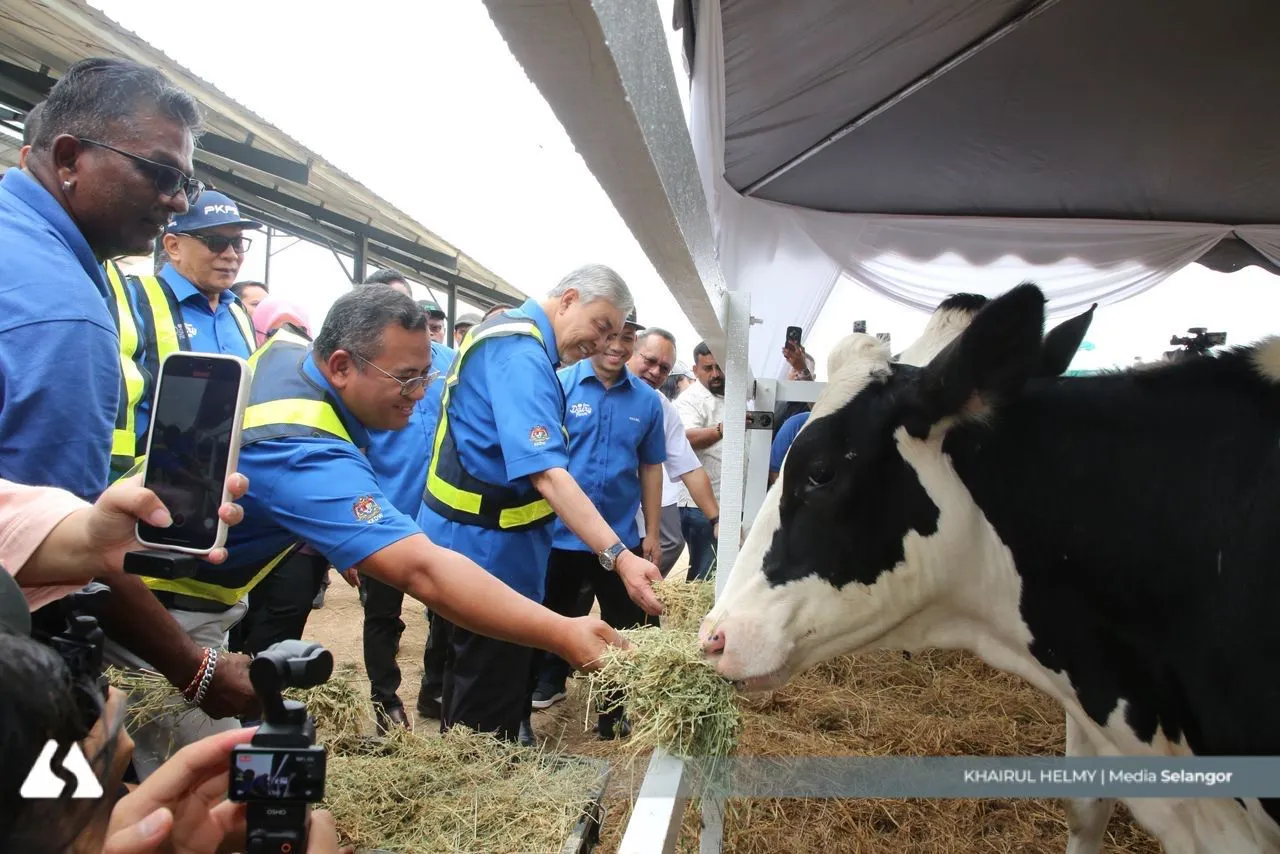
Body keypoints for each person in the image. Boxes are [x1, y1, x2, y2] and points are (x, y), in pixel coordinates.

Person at [123, 285, 626, 769]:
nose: (420, 393)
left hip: (163, 591)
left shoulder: (291, 356)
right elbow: (421, 571)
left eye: (427, 375)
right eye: (406, 378)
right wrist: (563, 632)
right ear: (341, 365)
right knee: (205, 791)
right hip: (155, 616)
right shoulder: (305, 448)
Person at [0, 56, 258, 730]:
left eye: (187, 180)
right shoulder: (65, 317)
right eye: (163, 174)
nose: (177, 199)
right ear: (68, 159)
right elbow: (43, 561)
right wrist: (193, 667)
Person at [419, 263, 663, 744]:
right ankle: (482, 797)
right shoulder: (520, 354)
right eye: (600, 326)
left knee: (475, 678)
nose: (602, 344)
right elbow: (548, 473)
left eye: (616, 334)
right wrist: (619, 557)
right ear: (569, 298)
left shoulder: (517, 342)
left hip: (489, 546)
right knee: (487, 700)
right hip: (490, 553)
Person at [529, 310, 666, 740]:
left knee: (624, 626)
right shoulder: (563, 385)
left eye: (628, 338)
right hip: (560, 538)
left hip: (620, 542)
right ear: (597, 336)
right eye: (612, 335)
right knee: (554, 616)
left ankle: (614, 710)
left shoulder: (647, 401)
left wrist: (652, 532)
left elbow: (650, 467)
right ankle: (548, 682)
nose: (618, 346)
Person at [124, 188, 259, 453]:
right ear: (173, 246)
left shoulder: (238, 313)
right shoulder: (133, 299)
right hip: (146, 477)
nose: (231, 254)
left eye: (238, 243)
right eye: (216, 242)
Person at [626, 328, 721, 577]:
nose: (656, 372)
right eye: (650, 361)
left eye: (665, 368)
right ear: (632, 349)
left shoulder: (661, 407)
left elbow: (688, 466)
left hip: (627, 524)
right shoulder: (582, 385)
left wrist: (716, 519)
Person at [674, 341, 726, 581]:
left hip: (729, 502)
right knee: (704, 576)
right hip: (701, 506)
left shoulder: (734, 395)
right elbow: (687, 438)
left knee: (721, 572)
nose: (715, 373)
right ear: (695, 370)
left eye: (720, 366)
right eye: (708, 368)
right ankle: (698, 620)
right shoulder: (690, 400)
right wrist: (724, 429)